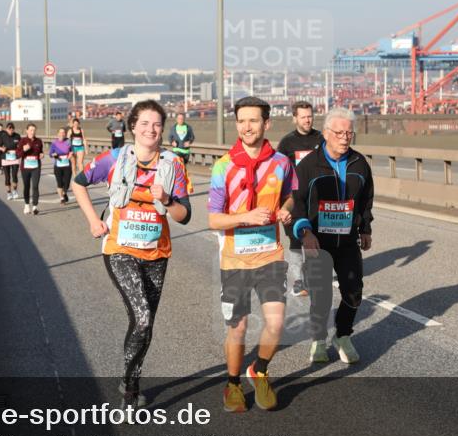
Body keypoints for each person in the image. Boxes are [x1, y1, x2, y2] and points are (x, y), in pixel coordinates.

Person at [71, 100, 191, 408]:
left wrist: (166, 198)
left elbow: (183, 215)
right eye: (145, 123)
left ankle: (130, 380)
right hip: (119, 249)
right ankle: (128, 393)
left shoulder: (173, 165)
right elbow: (79, 182)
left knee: (144, 323)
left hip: (157, 252)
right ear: (133, 127)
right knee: (141, 317)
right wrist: (93, 221)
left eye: (157, 124)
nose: (151, 130)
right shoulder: (115, 158)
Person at [208, 97, 294, 412]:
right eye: (241, 121)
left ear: (266, 124)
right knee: (239, 327)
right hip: (235, 260)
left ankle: (259, 369)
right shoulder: (223, 167)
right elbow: (213, 219)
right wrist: (246, 218)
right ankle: (232, 385)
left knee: (276, 323)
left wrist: (285, 212)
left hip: (270, 255)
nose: (246, 127)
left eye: (253, 120)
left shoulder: (282, 163)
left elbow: (290, 198)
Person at [289, 107, 374, 365]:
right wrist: (304, 232)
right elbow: (297, 202)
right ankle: (318, 340)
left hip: (347, 241)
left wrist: (366, 228)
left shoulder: (360, 163)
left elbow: (366, 199)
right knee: (321, 295)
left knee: (354, 291)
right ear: (326, 133)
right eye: (339, 132)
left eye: (349, 133)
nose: (345, 137)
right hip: (318, 242)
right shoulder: (308, 165)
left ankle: (343, 335)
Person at [276, 101, 324, 298]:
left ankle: (314, 275)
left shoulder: (322, 138)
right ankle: (297, 281)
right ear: (295, 118)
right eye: (303, 117)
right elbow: (278, 171)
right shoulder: (287, 143)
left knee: (317, 239)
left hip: (318, 198)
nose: (307, 120)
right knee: (296, 239)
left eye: (310, 116)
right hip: (294, 198)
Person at [18, 123, 44, 215]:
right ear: (27, 130)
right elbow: (17, 155)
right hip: (25, 167)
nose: (32, 132)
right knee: (27, 186)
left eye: (34, 130)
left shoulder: (39, 141)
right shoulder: (22, 141)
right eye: (31, 130)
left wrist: (41, 154)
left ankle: (35, 207)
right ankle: (26, 205)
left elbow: (40, 152)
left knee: (35, 186)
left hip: (36, 167)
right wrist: (24, 150)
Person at [50, 127, 73, 203]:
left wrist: (70, 154)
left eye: (63, 133)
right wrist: (54, 155)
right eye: (60, 132)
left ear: (65, 134)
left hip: (67, 164)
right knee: (59, 183)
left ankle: (64, 193)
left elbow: (71, 150)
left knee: (67, 182)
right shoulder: (54, 143)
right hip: (58, 165)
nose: (62, 134)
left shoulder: (68, 141)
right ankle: (61, 198)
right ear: (57, 134)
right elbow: (50, 153)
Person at [0, 122, 22, 199]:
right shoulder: (3, 136)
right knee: (7, 177)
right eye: (9, 128)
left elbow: (21, 146)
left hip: (15, 158)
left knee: (14, 176)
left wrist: (18, 149)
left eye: (12, 128)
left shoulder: (17, 136)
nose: (11, 130)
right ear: (6, 129)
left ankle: (14, 191)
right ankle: (9, 192)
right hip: (6, 158)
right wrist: (2, 149)